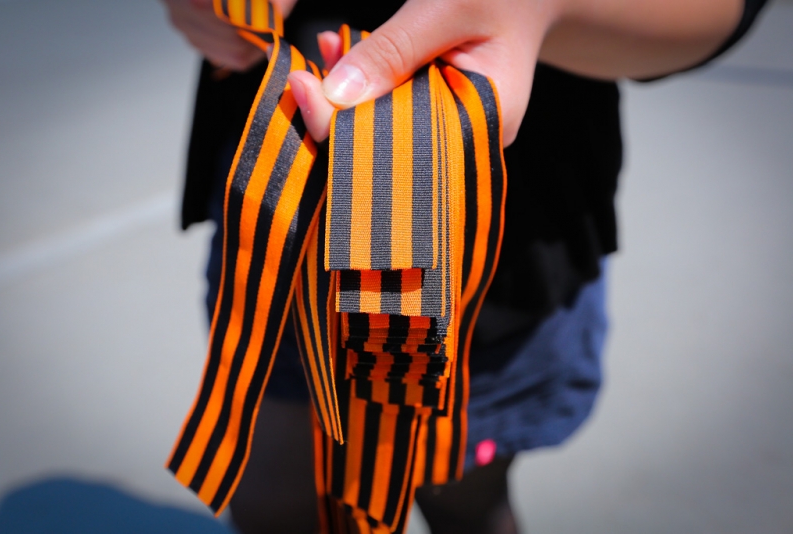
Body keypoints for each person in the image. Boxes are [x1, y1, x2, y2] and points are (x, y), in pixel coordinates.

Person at [161, 0, 767, 532]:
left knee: (464, 500)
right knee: (274, 504)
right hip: (277, 237)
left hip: (498, 261)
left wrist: (543, 8)